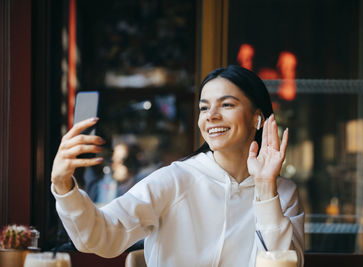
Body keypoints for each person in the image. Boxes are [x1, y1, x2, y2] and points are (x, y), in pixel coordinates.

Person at [51, 65, 304, 267]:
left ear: (257, 118)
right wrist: (63, 187)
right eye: (204, 107)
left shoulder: (282, 193)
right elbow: (101, 235)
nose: (211, 116)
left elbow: (285, 262)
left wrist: (264, 189)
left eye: (226, 104)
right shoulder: (175, 179)